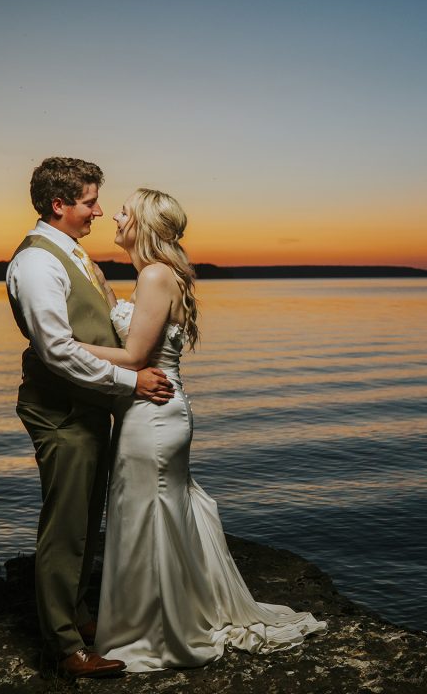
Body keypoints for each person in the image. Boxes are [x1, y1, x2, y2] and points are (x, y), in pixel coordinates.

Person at [79, 187, 326, 672]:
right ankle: (161, 613)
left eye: (125, 211)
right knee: (156, 511)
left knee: (146, 513)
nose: (116, 216)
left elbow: (133, 357)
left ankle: (156, 628)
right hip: (159, 409)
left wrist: (60, 346)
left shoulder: (153, 276)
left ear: (144, 224)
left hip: (151, 414)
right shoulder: (156, 275)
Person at [6, 157, 174, 679]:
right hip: (60, 413)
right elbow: (56, 350)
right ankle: (63, 648)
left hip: (87, 408)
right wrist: (133, 380)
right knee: (65, 526)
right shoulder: (37, 264)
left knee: (85, 518)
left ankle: (78, 616)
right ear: (58, 205)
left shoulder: (69, 253)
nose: (98, 211)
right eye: (88, 202)